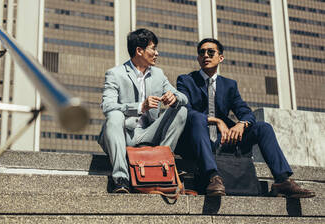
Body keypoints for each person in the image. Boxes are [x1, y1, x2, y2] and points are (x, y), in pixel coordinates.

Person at [176, 38, 315, 198]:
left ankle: (282, 180)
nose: (206, 55)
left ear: (220, 57)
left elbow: (246, 112)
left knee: (263, 128)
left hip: (224, 139)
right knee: (199, 120)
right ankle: (213, 177)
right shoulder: (186, 80)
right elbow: (184, 110)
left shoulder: (229, 85)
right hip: (195, 140)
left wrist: (241, 124)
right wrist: (215, 120)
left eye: (210, 52)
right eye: (202, 53)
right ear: (198, 58)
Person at [98, 28, 188, 193]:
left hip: (149, 134)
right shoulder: (115, 74)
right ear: (139, 50)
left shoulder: (158, 74)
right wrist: (140, 107)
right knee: (115, 114)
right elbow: (107, 106)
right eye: (153, 48)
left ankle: (162, 162)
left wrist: (174, 98)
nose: (156, 53)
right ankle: (120, 178)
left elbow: (183, 97)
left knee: (181, 109)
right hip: (124, 134)